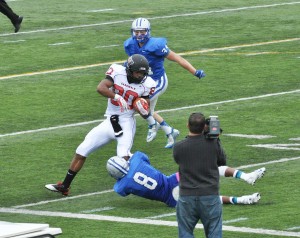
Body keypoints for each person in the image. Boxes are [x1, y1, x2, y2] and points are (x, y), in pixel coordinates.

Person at [45, 54, 156, 196]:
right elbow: (101, 87)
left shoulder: (148, 84)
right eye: (137, 72)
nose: (140, 76)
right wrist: (116, 96)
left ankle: (150, 181)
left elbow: (144, 107)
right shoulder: (117, 71)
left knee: (123, 158)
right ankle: (65, 186)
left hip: (126, 121)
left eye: (142, 73)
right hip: (110, 120)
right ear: (128, 70)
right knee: (82, 150)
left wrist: (141, 107)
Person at [124, 18, 206, 149]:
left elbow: (178, 58)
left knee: (139, 104)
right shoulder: (130, 45)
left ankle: (152, 125)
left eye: (142, 32)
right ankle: (170, 131)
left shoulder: (156, 45)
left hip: (157, 81)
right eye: (136, 32)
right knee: (147, 109)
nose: (139, 35)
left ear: (148, 32)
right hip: (144, 82)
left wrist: (194, 71)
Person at [106, 151, 265, 207]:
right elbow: (141, 157)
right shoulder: (136, 161)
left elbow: (122, 189)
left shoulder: (120, 187)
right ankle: (246, 176)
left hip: (171, 200)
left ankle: (241, 200)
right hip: (173, 180)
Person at [173, 112, 226, 238]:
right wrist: (216, 138)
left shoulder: (178, 147)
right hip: (210, 196)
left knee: (185, 233)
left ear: (187, 125)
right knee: (214, 232)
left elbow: (179, 159)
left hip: (187, 196)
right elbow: (222, 162)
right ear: (204, 127)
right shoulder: (213, 144)